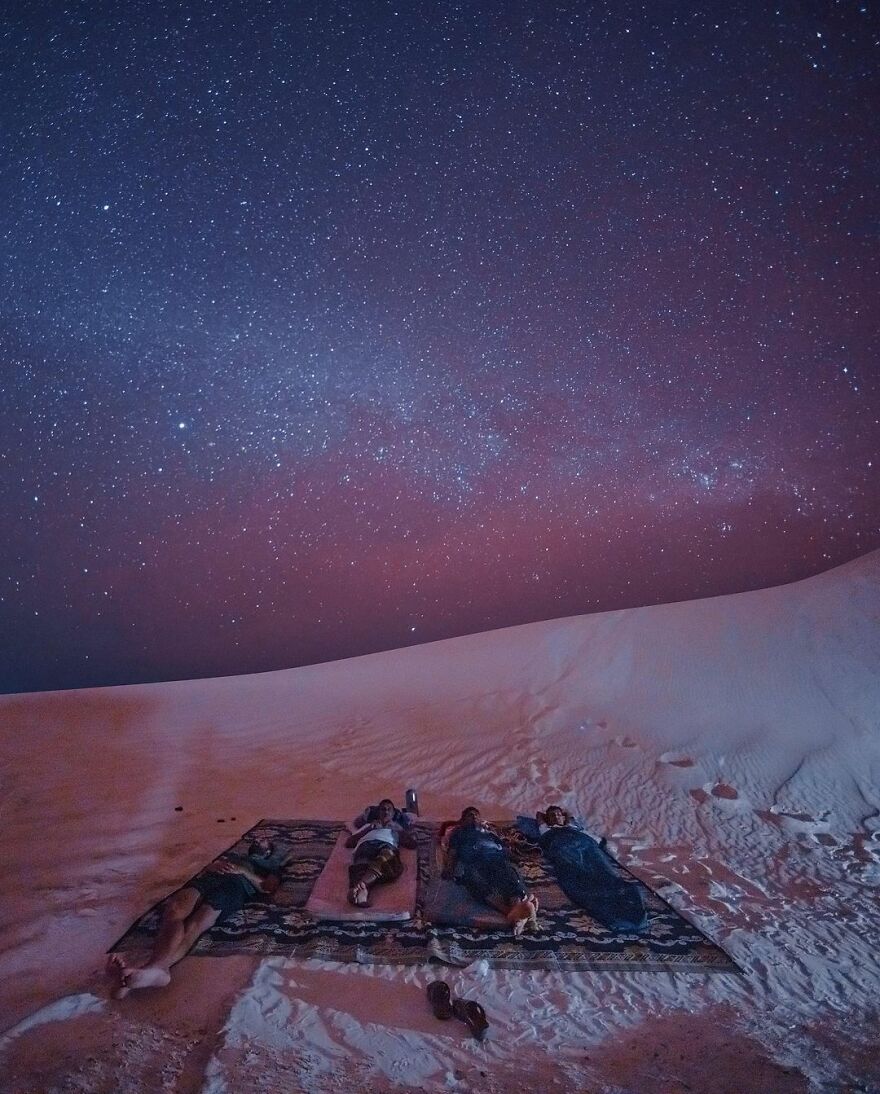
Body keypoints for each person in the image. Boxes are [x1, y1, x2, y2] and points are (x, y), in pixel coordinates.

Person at [106, 839, 286, 997]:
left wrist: (242, 872)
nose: (258, 840)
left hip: (235, 886)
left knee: (197, 923)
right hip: (211, 879)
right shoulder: (235, 856)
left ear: (269, 851)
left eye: (263, 841)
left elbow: (268, 888)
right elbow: (208, 868)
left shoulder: (271, 865)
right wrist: (211, 867)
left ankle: (148, 971)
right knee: (174, 910)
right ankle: (151, 971)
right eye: (257, 840)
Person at [536, 805, 648, 933]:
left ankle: (633, 916)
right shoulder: (546, 830)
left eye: (559, 814)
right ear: (547, 819)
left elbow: (597, 842)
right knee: (580, 880)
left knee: (608, 877)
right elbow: (538, 815)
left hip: (587, 848)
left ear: (564, 817)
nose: (556, 817)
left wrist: (569, 821)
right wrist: (551, 818)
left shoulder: (576, 828)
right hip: (565, 849)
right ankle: (613, 916)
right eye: (552, 815)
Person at [443, 806, 538, 936]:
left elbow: (504, 849)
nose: (474, 817)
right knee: (472, 879)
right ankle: (516, 913)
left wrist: (517, 857)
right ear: (462, 820)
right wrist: (449, 868)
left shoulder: (489, 833)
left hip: (495, 858)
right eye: (470, 815)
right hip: (474, 860)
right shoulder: (459, 833)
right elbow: (452, 852)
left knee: (508, 873)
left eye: (476, 815)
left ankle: (516, 908)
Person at [345, 798, 416, 906]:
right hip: (366, 846)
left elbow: (412, 845)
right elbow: (349, 843)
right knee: (363, 866)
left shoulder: (397, 828)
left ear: (393, 813)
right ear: (379, 812)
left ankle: (360, 887)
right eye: (383, 809)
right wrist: (369, 829)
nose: (386, 812)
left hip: (385, 846)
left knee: (387, 858)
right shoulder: (368, 825)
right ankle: (363, 887)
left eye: (389, 809)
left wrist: (399, 830)